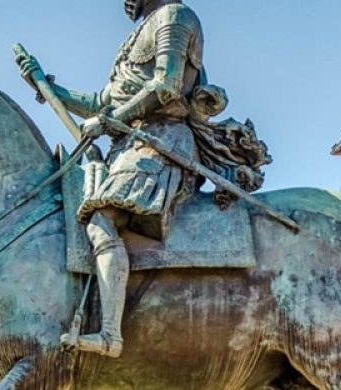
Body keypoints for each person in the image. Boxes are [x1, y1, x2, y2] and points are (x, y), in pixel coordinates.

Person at [17, 0, 205, 358]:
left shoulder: (175, 17)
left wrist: (108, 120)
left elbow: (166, 86)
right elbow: (101, 100)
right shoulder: (140, 32)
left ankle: (109, 335)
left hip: (162, 142)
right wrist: (48, 89)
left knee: (102, 219)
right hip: (130, 145)